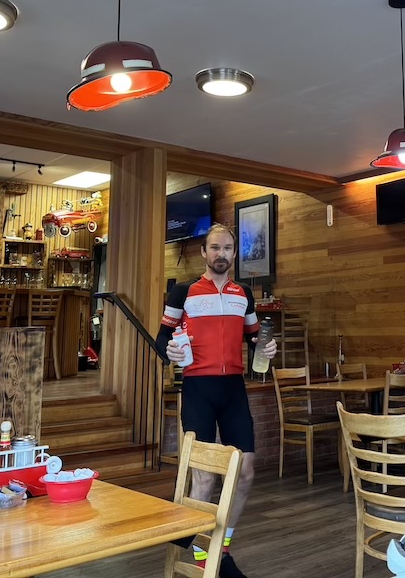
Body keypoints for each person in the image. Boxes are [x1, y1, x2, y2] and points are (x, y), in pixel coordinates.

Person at [156, 223, 277, 578]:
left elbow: (256, 338)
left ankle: (219, 549)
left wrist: (267, 346)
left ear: (234, 254)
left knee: (245, 473)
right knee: (205, 480)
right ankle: (197, 552)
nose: (220, 254)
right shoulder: (184, 292)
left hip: (234, 389)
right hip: (198, 388)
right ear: (204, 253)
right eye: (214, 248)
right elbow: (163, 338)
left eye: (227, 248)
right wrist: (171, 350)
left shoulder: (244, 295)